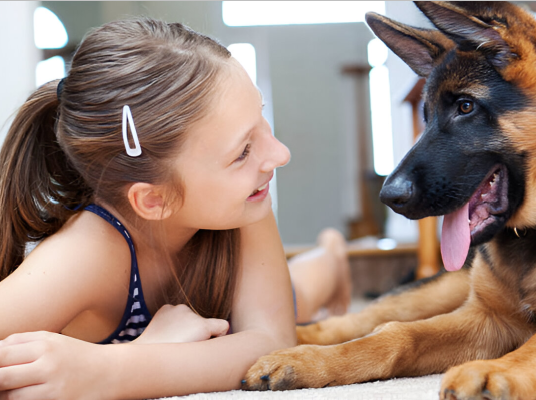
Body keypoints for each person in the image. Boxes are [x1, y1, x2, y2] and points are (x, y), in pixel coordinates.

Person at [0, 18, 350, 399]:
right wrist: (146, 351)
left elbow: (274, 343)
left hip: (231, 303)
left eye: (261, 118)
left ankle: (331, 258)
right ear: (154, 200)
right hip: (219, 314)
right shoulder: (80, 256)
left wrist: (111, 368)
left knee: (301, 294)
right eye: (243, 151)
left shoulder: (247, 196)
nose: (280, 155)